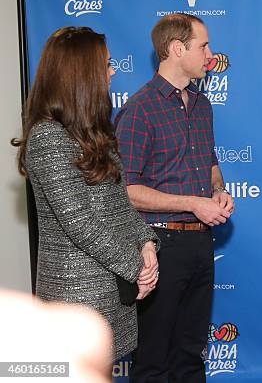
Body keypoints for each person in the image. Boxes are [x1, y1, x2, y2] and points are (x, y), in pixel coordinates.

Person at [12, 26, 159, 362]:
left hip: (112, 290)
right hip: (76, 296)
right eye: (106, 65)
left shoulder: (96, 134)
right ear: (83, 74)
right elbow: (81, 225)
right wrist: (137, 266)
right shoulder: (48, 137)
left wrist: (148, 243)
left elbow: (121, 206)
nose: (112, 73)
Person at [115, 13, 234, 382]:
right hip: (158, 246)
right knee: (153, 358)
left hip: (201, 243)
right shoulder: (139, 109)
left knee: (192, 353)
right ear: (176, 49)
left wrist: (218, 192)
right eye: (203, 46)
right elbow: (127, 192)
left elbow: (210, 165)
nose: (211, 55)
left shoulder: (203, 106)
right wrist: (192, 203)